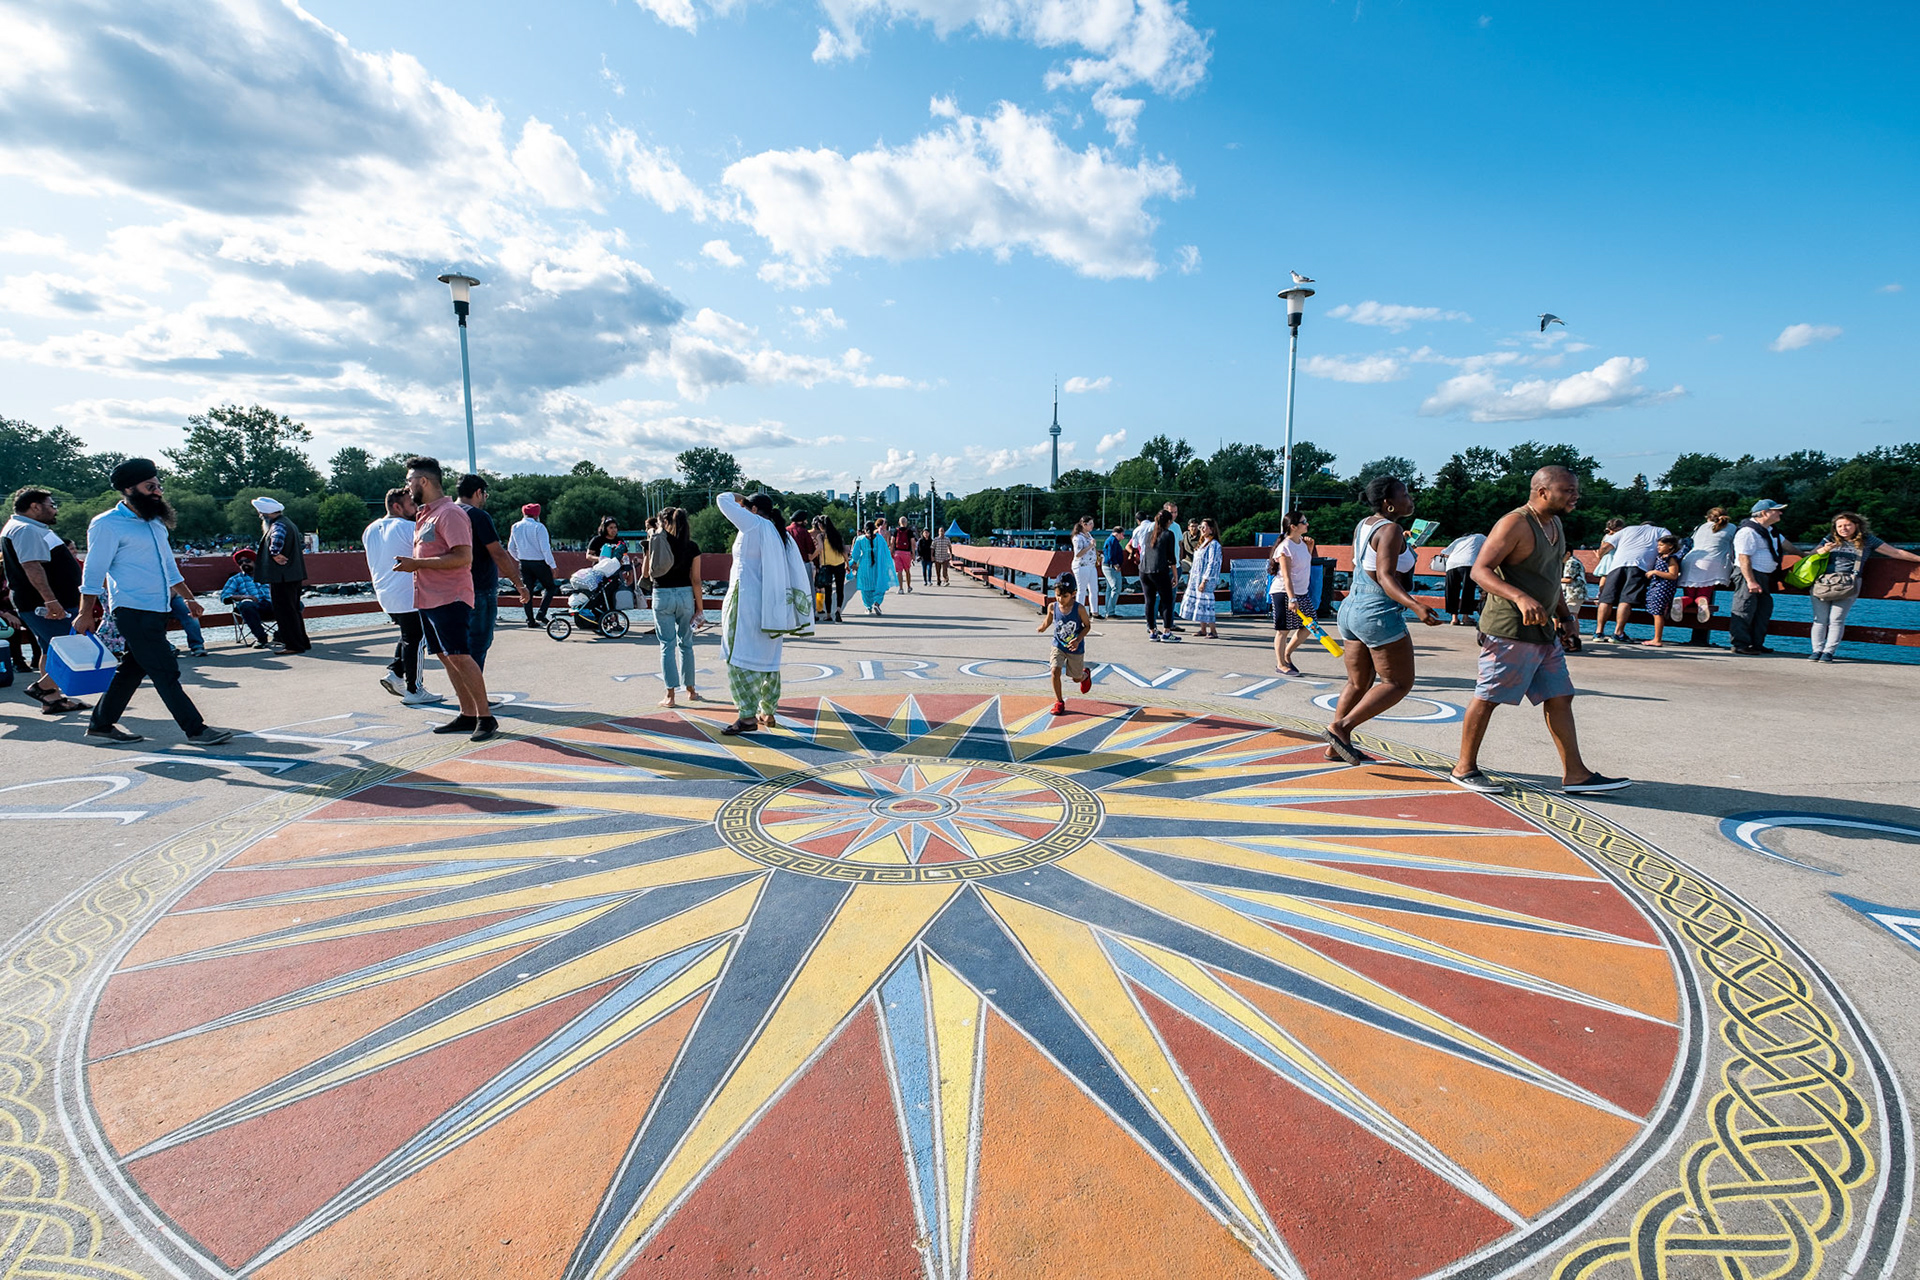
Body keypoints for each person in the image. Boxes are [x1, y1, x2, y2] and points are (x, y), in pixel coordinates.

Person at [1450, 466, 1627, 794]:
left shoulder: (1555, 524)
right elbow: (1479, 570)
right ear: (1543, 491)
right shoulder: (1515, 523)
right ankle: (1464, 768)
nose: (1576, 496)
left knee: (1560, 696)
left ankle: (1575, 774)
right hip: (1509, 630)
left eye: (1576, 490)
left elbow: (1549, 579)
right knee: (1489, 696)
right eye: (1568, 490)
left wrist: (1565, 616)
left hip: (1544, 631)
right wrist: (1518, 596)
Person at [72, 459, 231, 745]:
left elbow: (169, 567)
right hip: (132, 609)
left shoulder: (156, 523)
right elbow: (94, 570)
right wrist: (85, 613)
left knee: (133, 668)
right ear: (129, 489)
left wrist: (188, 597)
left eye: (159, 486)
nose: (158, 491)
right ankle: (196, 730)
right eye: (150, 487)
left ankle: (101, 723)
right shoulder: (106, 524)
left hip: (158, 608)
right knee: (165, 669)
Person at [1324, 476, 1440, 763]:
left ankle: (1334, 746)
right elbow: (1386, 577)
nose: (1410, 497)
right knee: (1398, 682)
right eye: (1405, 494)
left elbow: (1366, 566)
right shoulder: (1391, 530)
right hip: (1377, 611)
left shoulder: (1365, 524)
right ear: (1389, 504)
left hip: (1351, 608)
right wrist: (1416, 606)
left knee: (1357, 682)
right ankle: (1341, 728)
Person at [393, 456, 496, 741]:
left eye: (409, 480)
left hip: (450, 596)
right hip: (429, 598)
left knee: (461, 656)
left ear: (423, 481)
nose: (407, 485)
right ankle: (467, 714)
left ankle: (486, 718)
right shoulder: (426, 514)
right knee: (446, 656)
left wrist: (418, 565)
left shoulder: (450, 513)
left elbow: (464, 556)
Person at [716, 492, 813, 734]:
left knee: (738, 656)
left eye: (747, 507)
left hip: (747, 601)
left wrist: (740, 498)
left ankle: (747, 717)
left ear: (755, 509)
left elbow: (721, 499)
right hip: (772, 606)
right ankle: (767, 711)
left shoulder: (754, 523)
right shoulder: (780, 534)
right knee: (769, 660)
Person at [3, 487, 89, 715]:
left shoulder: (26, 528)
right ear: (35, 507)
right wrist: (50, 600)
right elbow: (31, 565)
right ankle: (42, 688)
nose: (55, 510)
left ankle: (53, 700)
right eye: (51, 505)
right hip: (45, 604)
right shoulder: (26, 529)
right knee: (74, 648)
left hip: (41, 602)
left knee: (49, 650)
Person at [363, 487, 441, 705]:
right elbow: (431, 550)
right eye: (411, 504)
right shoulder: (408, 527)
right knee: (417, 639)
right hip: (409, 592)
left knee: (409, 636)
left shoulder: (370, 529)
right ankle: (414, 689)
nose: (416, 508)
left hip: (385, 593)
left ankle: (395, 672)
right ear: (397, 506)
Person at [1807, 511, 1920, 662]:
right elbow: (1810, 556)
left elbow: (1895, 552)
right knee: (1819, 619)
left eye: (1847, 525)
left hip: (1849, 582)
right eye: (1839, 526)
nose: (1843, 529)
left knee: (1836, 619)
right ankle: (1816, 650)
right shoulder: (1829, 538)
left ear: (1857, 525)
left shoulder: (1868, 540)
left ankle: (1828, 652)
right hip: (1823, 582)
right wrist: (1824, 550)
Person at [456, 476, 529, 672]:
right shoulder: (478, 516)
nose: (485, 498)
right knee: (478, 644)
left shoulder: (445, 514)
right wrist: (519, 584)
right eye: (485, 494)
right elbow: (497, 552)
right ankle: (475, 697)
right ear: (478, 492)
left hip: (451, 588)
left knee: (457, 647)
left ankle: (464, 692)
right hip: (479, 587)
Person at [647, 506, 705, 706]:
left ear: (663, 522)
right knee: (686, 644)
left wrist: (652, 537)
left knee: (666, 646)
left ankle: (670, 695)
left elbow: (648, 573)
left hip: (661, 594)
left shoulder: (656, 542)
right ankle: (691, 690)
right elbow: (696, 580)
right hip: (685, 596)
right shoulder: (692, 546)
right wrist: (700, 608)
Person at [1730, 499, 1798, 655]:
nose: (1780, 513)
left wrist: (1806, 555)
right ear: (1763, 513)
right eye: (1777, 510)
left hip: (1764, 575)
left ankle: (1756, 643)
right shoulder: (1748, 532)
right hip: (1750, 574)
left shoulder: (1771, 530)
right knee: (1744, 608)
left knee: (1763, 609)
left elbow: (1787, 546)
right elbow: (1743, 558)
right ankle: (1740, 644)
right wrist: (1750, 581)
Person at [1591, 518, 1669, 642]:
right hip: (1640, 566)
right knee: (1626, 599)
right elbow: (1668, 544)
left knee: (1606, 599)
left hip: (1617, 565)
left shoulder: (1627, 529)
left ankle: (1599, 632)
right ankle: (1618, 633)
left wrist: (1600, 557)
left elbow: (1605, 546)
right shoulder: (1660, 531)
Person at [252, 496, 311, 653]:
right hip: (293, 574)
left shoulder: (278, 525)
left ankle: (293, 645)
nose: (260, 515)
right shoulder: (289, 522)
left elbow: (277, 539)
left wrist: (274, 553)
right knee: (293, 609)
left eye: (260, 513)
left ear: (266, 513)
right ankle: (302, 641)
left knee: (284, 611)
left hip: (282, 576)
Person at [1037, 577, 1094, 716]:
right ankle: (1059, 702)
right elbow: (1049, 621)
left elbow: (1087, 626)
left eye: (1064, 596)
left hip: (1075, 648)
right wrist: (1042, 628)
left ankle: (1085, 675)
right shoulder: (1053, 607)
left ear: (1073, 594)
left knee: (1076, 678)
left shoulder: (1079, 609)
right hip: (1058, 645)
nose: (1060, 599)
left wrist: (1078, 639)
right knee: (1055, 671)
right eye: (1057, 595)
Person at [1679, 507, 1736, 646]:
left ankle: (1681, 601)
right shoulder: (1732, 528)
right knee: (1704, 594)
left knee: (1690, 597)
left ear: (1708, 517)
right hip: (1713, 562)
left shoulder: (1701, 527)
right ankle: (1702, 601)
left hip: (1690, 561)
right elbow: (1734, 548)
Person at [1269, 511, 1313, 677]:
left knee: (1310, 625)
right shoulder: (1284, 547)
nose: (1307, 524)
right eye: (1304, 522)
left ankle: (1287, 654)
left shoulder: (1302, 543)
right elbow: (1286, 576)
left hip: (1301, 592)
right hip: (1283, 592)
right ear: (1293, 527)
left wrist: (1310, 548)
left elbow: (1303, 566)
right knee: (1283, 630)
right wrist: (1292, 598)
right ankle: (1281, 663)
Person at [508, 503, 560, 627]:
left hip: (524, 563)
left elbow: (511, 548)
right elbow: (545, 549)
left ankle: (530, 620)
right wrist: (552, 565)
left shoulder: (515, 526)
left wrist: (519, 558)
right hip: (539, 563)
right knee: (551, 587)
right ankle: (541, 613)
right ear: (537, 514)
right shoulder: (539, 527)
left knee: (527, 591)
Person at [218, 549, 276, 648]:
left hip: (271, 606)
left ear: (255, 561)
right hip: (251, 608)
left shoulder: (268, 575)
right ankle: (261, 638)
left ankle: (281, 635)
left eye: (248, 561)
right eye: (241, 562)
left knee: (296, 604)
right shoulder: (235, 579)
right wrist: (244, 597)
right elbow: (224, 596)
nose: (244, 564)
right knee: (246, 604)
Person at [1138, 510, 1179, 642]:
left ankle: (1152, 631)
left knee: (1149, 601)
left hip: (1144, 570)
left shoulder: (1148, 534)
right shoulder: (1168, 534)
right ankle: (1167, 632)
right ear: (1168, 522)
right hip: (1159, 571)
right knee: (1167, 600)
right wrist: (1175, 575)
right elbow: (1171, 558)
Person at [1178, 518, 1222, 639]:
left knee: (1206, 603)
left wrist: (1204, 580)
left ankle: (1213, 630)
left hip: (1205, 579)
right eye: (1200, 527)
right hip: (1196, 577)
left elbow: (1212, 563)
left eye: (1204, 527)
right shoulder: (1203, 543)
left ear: (1211, 529)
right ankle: (1203, 629)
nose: (1201, 530)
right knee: (1199, 602)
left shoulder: (1214, 545)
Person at [1640, 535, 1683, 647]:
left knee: (1658, 613)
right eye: (1658, 545)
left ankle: (1657, 639)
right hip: (1656, 587)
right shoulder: (1662, 556)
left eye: (1661, 545)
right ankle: (1656, 637)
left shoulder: (1671, 558)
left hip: (1663, 588)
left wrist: (1655, 572)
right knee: (1655, 611)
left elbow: (1673, 575)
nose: (1658, 547)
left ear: (1670, 546)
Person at [1437, 531, 1487, 625]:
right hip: (1468, 563)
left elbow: (1444, 552)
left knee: (1451, 591)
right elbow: (1490, 546)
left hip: (1451, 564)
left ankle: (1454, 618)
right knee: (1468, 590)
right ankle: (1465, 617)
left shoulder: (1459, 540)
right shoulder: (1480, 537)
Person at [851, 518, 895, 615]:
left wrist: (852, 563)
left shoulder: (860, 539)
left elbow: (855, 555)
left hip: (864, 566)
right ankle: (877, 603)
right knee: (879, 585)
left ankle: (868, 607)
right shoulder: (879, 539)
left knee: (865, 587)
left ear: (864, 529)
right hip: (877, 565)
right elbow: (885, 552)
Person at [814, 516, 848, 622]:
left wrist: (812, 556)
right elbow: (843, 551)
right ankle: (838, 609)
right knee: (840, 589)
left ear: (820, 525)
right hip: (839, 563)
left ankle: (828, 614)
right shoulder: (837, 535)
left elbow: (819, 548)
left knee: (828, 591)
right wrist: (847, 563)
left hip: (826, 565)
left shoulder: (821, 536)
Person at [1070, 516, 1101, 618]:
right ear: (1084, 524)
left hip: (1091, 565)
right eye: (1090, 524)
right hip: (1081, 565)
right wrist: (1090, 546)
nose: (1092, 526)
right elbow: (1078, 554)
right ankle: (1079, 612)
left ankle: (1094, 611)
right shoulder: (1077, 537)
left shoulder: (1089, 535)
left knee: (1094, 589)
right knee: (1082, 589)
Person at [786, 513, 819, 605]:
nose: (806, 522)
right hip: (804, 563)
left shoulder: (786, 530)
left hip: (789, 564)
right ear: (801, 520)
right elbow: (811, 550)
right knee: (808, 588)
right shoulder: (803, 532)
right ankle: (810, 612)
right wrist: (816, 565)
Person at [1561, 547, 1591, 624]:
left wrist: (1554, 580)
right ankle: (1572, 634)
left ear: (1568, 553)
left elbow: (1568, 579)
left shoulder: (1571, 563)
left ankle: (1573, 634)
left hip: (1574, 593)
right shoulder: (1574, 561)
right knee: (1572, 614)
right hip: (1574, 593)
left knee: (1572, 615)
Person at [1100, 524, 1125, 619]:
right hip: (1111, 567)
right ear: (1117, 534)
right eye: (1122, 534)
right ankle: (1110, 612)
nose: (1123, 537)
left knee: (1109, 589)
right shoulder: (1113, 541)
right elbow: (1111, 554)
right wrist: (1116, 564)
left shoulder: (1110, 540)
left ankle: (1108, 610)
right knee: (1116, 587)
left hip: (1108, 566)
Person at [891, 518, 915, 594]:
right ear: (906, 522)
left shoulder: (896, 531)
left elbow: (892, 542)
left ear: (899, 522)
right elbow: (913, 543)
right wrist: (913, 553)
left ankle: (901, 588)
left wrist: (892, 551)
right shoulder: (909, 531)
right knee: (907, 570)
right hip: (907, 553)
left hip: (897, 552)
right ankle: (908, 587)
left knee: (899, 571)